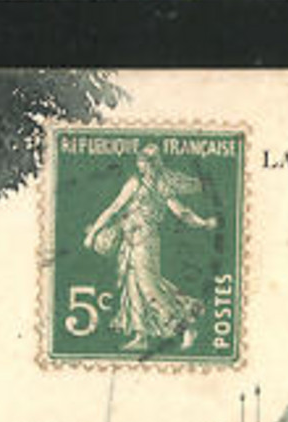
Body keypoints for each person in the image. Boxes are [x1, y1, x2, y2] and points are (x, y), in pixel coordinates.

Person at [82, 141, 219, 351]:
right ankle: (141, 336)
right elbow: (114, 209)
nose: (141, 164)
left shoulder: (156, 185)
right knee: (133, 288)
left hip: (145, 242)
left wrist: (203, 223)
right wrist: (94, 232)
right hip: (130, 242)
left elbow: (181, 212)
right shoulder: (138, 183)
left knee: (149, 287)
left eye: (145, 161)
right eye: (140, 161)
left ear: (153, 163)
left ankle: (186, 327)